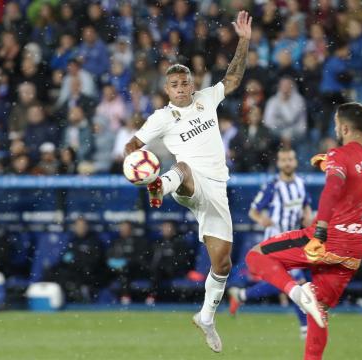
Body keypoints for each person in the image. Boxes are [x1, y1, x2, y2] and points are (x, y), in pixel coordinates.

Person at [123, 11, 252, 353]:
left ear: (193, 84)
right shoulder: (161, 118)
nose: (182, 89)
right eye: (175, 85)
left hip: (216, 189)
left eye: (186, 83)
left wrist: (244, 40)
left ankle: (206, 317)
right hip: (187, 181)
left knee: (222, 263)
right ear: (167, 90)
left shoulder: (207, 98)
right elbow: (132, 145)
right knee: (182, 166)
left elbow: (235, 77)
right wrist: (132, 162)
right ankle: (159, 188)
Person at [245, 102, 362, 360]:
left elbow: (333, 189)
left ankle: (297, 294)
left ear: (344, 127)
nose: (335, 128)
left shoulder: (339, 154)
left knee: (256, 256)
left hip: (330, 237)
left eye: (336, 124)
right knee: (319, 309)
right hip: (356, 248)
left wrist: (321, 227)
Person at [228, 148, 312, 339]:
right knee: (296, 282)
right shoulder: (272, 186)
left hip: (295, 241)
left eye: (290, 159)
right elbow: (253, 210)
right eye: (284, 160)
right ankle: (305, 328)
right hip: (275, 242)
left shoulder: (301, 184)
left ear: (295, 162)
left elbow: (306, 205)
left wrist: (307, 217)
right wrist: (262, 220)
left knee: (285, 283)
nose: (288, 163)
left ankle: (241, 296)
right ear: (279, 163)